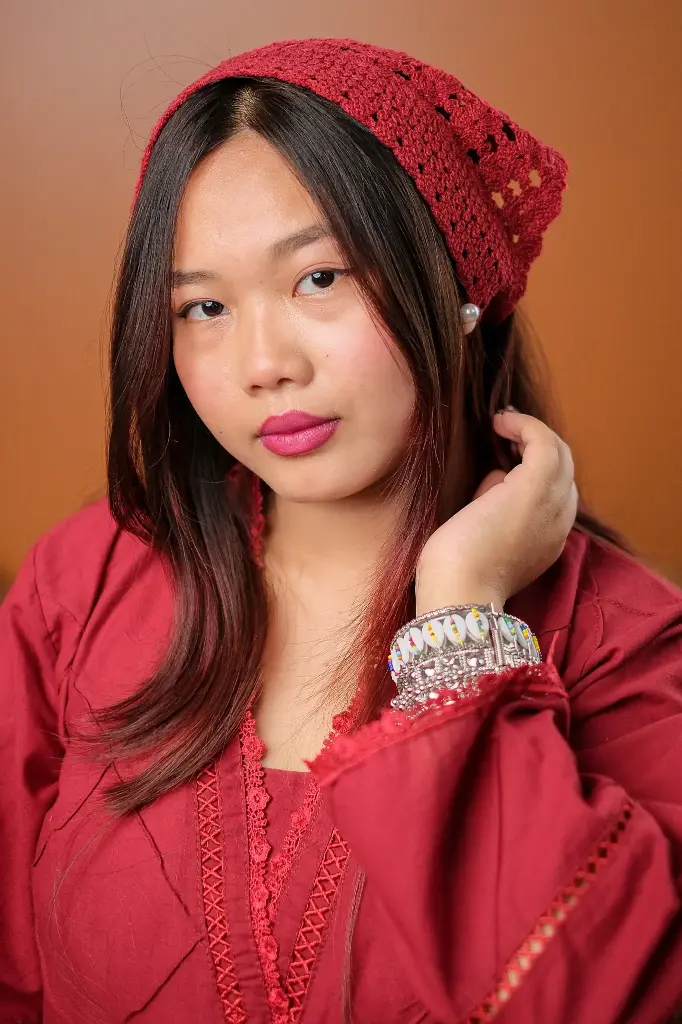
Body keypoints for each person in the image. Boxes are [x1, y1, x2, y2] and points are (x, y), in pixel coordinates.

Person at [1, 36, 680, 1024]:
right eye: (202, 306)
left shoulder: (626, 635)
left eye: (319, 278)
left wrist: (461, 615)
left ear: (456, 286)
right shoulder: (83, 583)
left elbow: (607, 995)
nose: (262, 362)